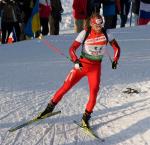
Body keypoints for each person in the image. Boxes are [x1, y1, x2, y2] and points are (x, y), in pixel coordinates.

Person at [38, 13, 121, 128]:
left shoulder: (107, 33)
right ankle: (48, 109)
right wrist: (76, 61)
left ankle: (85, 118)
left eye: (101, 24)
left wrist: (115, 60)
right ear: (92, 24)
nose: (100, 27)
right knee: (65, 87)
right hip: (82, 66)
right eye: (97, 25)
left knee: (94, 93)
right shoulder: (85, 33)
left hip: (95, 69)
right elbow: (72, 49)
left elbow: (117, 48)